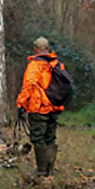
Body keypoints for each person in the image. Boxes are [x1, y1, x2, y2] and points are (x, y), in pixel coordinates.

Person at [16, 36, 66, 177]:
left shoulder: (35, 65)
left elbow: (28, 86)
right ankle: (50, 170)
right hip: (55, 106)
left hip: (39, 107)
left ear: (35, 49)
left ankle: (41, 170)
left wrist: (21, 104)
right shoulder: (57, 64)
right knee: (50, 137)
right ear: (47, 49)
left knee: (38, 138)